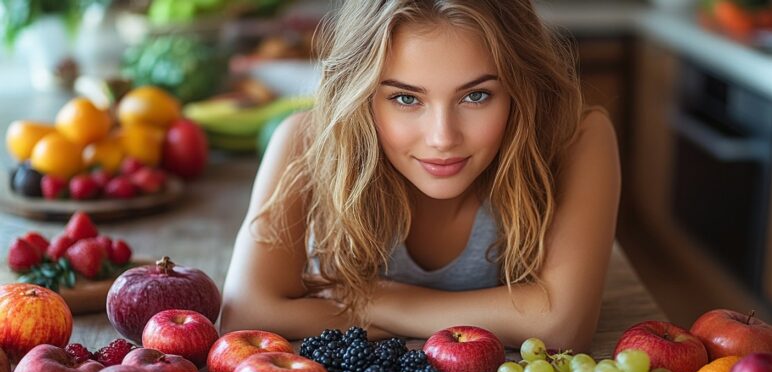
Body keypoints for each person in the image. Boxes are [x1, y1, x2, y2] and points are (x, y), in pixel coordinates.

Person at [221, 0, 620, 350]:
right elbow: (249, 314)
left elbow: (562, 326)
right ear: (359, 94)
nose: (442, 138)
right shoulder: (307, 141)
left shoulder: (575, 139)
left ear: (521, 87)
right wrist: (512, 316)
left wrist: (369, 299)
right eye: (406, 98)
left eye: (476, 95)